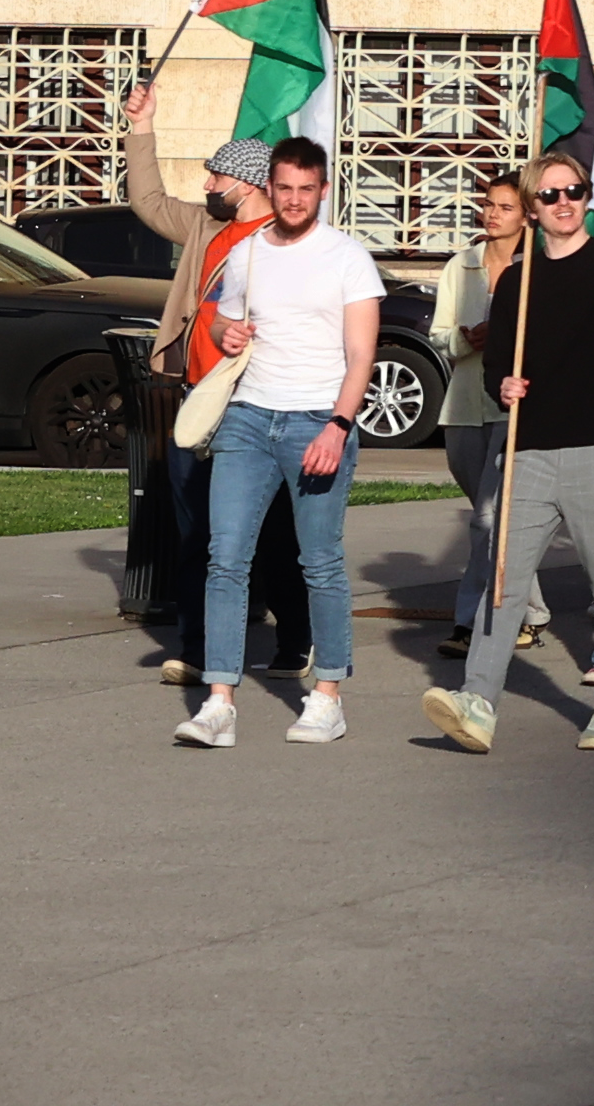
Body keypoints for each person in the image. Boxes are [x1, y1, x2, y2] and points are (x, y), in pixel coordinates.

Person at [419, 158, 594, 756]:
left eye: (573, 191)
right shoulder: (516, 281)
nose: (563, 201)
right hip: (530, 449)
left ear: (586, 197)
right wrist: (504, 385)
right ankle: (479, 702)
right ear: (533, 207)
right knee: (503, 580)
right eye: (549, 195)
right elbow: (498, 360)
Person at [171, 138, 380, 750]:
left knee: (319, 561)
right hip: (246, 418)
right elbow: (216, 316)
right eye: (285, 188)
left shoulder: (346, 257)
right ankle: (218, 702)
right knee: (226, 558)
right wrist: (227, 330)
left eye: (305, 189)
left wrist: (338, 427)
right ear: (273, 186)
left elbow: (362, 353)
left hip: (316, 419)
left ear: (321, 190)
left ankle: (327, 696)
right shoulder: (248, 253)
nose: (293, 200)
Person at [118, 92, 306, 690]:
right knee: (194, 527)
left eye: (217, 174)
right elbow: (146, 200)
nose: (208, 182)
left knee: (273, 529)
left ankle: (295, 639)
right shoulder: (204, 225)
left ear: (248, 185)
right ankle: (198, 649)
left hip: (256, 402)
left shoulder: (281, 239)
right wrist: (142, 126)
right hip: (197, 397)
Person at [433, 170, 548, 660]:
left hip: (513, 408)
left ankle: (467, 621)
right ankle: (534, 611)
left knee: (486, 518)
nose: (492, 214)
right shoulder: (462, 265)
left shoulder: (540, 267)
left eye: (504, 206)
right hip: (463, 405)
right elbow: (439, 332)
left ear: (526, 215)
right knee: (498, 522)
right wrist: (464, 339)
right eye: (489, 204)